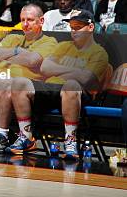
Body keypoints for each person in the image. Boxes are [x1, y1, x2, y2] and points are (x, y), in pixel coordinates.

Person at [7, 10, 109, 158]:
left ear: (91, 27)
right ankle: (26, 136)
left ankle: (70, 140)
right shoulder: (63, 46)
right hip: (51, 88)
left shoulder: (99, 52)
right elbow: (45, 68)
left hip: (78, 93)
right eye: (72, 27)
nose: (74, 31)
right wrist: (75, 71)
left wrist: (58, 71)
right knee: (19, 83)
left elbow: (86, 78)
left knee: (72, 84)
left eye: (78, 27)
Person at [0, 4, 59, 153]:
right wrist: (17, 51)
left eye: (30, 20)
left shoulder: (49, 42)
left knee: (6, 82)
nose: (25, 24)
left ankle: (6, 135)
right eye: (22, 20)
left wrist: (7, 56)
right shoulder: (14, 38)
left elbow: (32, 61)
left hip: (28, 88)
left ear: (41, 21)